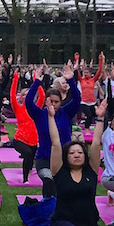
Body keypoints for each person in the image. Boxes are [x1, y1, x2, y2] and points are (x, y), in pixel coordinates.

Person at [49, 99, 105, 226]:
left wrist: (100, 118)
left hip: (88, 221)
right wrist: (51, 117)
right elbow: (56, 143)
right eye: (72, 153)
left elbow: (95, 143)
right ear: (66, 157)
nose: (76, 155)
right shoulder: (59, 171)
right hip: (63, 220)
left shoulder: (91, 171)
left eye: (80, 152)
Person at [26, 64, 80, 198]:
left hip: (64, 158)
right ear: (45, 101)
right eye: (51, 101)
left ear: (60, 102)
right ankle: (48, 205)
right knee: (48, 179)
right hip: (44, 158)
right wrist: (36, 82)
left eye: (56, 102)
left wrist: (71, 80)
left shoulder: (66, 113)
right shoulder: (39, 115)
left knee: (62, 185)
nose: (54, 104)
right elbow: (28, 102)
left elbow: (77, 99)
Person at [10, 70, 43, 183]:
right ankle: (25, 179)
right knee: (28, 154)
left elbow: (42, 96)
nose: (26, 95)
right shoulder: (18, 108)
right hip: (19, 139)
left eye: (28, 93)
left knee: (31, 158)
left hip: (33, 141)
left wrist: (36, 81)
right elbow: (12, 95)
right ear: (21, 97)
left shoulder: (35, 108)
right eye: (24, 94)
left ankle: (28, 170)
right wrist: (15, 79)